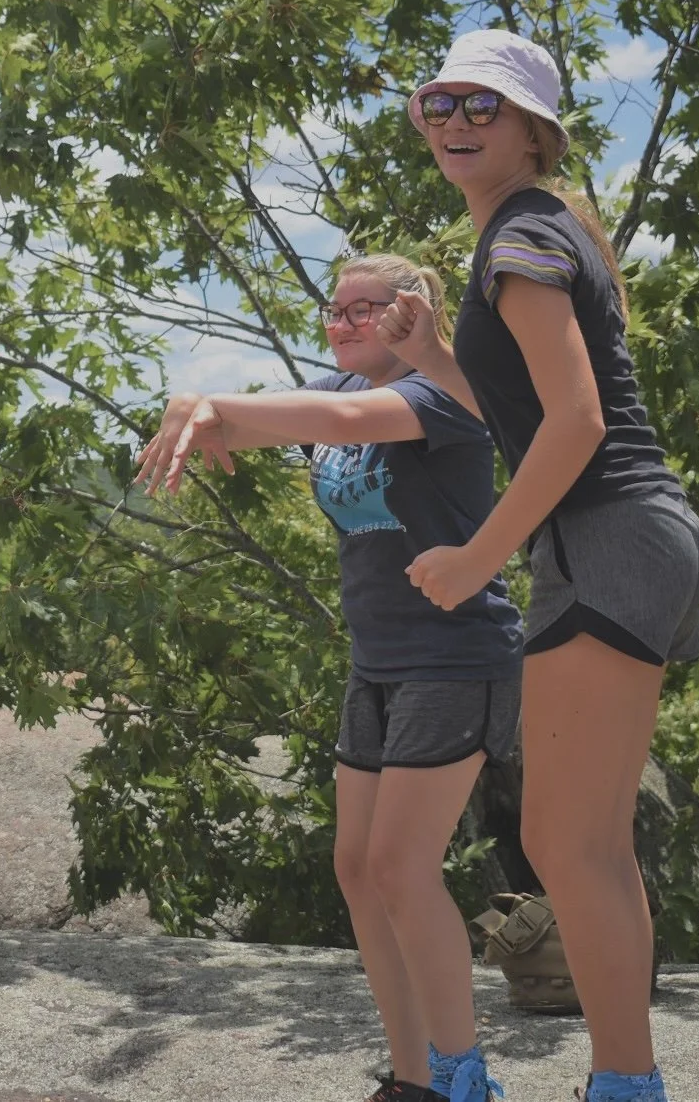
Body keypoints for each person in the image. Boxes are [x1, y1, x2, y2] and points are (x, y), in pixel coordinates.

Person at [381, 29, 699, 1102]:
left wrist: (478, 556)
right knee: (588, 845)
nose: (456, 123)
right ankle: (626, 1081)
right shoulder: (537, 230)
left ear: (534, 129)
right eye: (441, 103)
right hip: (629, 538)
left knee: (568, 844)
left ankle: (626, 1083)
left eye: (484, 106)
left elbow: (573, 426)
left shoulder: (523, 232)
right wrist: (435, 358)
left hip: (607, 532)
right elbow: (533, 418)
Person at [137, 254, 523, 1102]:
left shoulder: (440, 396)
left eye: (363, 309)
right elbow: (257, 423)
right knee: (356, 867)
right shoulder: (336, 389)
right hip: (377, 663)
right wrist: (201, 418)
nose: (341, 322)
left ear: (410, 313)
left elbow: (348, 416)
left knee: (399, 867)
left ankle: (466, 1078)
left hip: (456, 658)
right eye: (333, 309)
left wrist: (209, 406)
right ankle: (412, 1077)